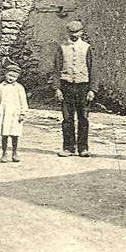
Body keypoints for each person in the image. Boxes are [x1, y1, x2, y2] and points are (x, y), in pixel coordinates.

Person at [53, 20, 94, 157]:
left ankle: (83, 148)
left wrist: (92, 90)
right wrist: (57, 88)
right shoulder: (62, 47)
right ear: (68, 33)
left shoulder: (87, 47)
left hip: (83, 86)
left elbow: (93, 69)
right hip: (66, 86)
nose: (74, 35)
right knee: (67, 118)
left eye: (77, 32)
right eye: (71, 32)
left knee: (83, 118)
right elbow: (56, 69)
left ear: (81, 32)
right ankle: (68, 147)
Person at [0, 62, 29, 163]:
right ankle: (4, 153)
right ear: (5, 74)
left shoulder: (19, 88)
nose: (11, 78)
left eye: (14, 76)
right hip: (4, 114)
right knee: (4, 134)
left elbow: (23, 101)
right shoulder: (1, 87)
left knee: (15, 134)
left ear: (17, 77)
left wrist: (22, 113)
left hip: (15, 114)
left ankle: (15, 152)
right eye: (9, 75)